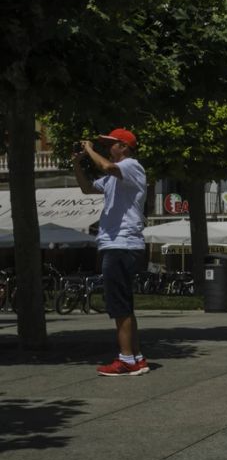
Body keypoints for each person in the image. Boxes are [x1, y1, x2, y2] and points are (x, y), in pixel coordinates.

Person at [73, 128, 149, 376]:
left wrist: (90, 150)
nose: (107, 148)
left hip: (121, 243)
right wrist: (78, 164)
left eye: (111, 144)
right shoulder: (115, 177)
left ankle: (126, 360)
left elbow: (106, 167)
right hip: (118, 244)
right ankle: (136, 357)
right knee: (124, 304)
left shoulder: (131, 166)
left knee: (118, 305)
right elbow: (87, 188)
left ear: (124, 147)